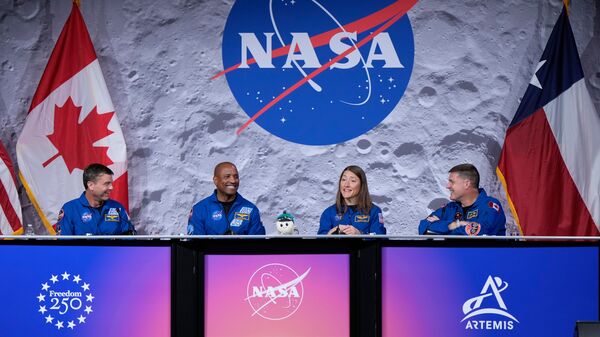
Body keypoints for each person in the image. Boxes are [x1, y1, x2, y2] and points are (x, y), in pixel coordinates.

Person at [418, 163, 506, 236]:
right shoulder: (450, 208)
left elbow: (478, 232)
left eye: (452, 181)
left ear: (466, 184)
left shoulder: (489, 206)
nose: (448, 186)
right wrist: (457, 225)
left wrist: (441, 225)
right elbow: (423, 226)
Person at [187, 162, 265, 235]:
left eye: (236, 177)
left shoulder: (251, 209)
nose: (233, 181)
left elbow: (258, 245)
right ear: (216, 180)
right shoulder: (199, 209)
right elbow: (195, 245)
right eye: (227, 176)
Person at [57, 163, 135, 235]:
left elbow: (130, 240)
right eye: (107, 184)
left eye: (111, 184)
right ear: (91, 185)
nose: (111, 187)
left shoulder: (117, 208)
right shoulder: (70, 209)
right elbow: (63, 246)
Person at [318, 165, 386, 235]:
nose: (346, 184)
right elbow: (319, 242)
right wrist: (334, 231)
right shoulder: (329, 213)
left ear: (362, 185)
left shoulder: (374, 211)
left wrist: (359, 234)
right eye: (343, 180)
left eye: (352, 181)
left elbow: (380, 237)